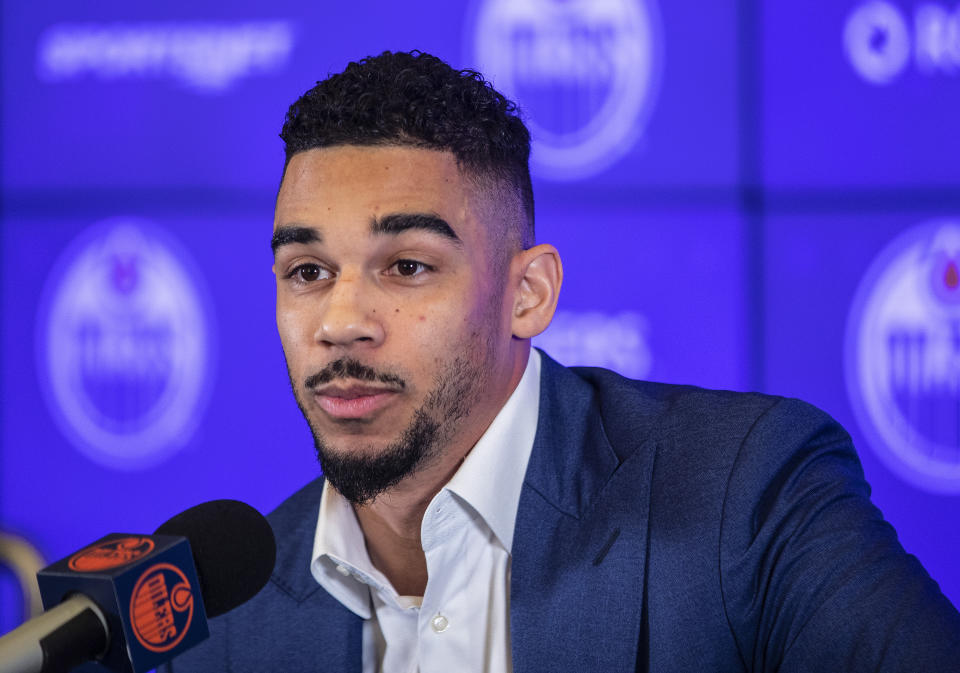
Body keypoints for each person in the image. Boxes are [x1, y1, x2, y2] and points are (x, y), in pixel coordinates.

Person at [169, 50, 960, 672]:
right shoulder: (229, 614)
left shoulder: (745, 493)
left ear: (528, 294)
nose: (341, 323)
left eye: (407, 266)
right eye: (308, 273)